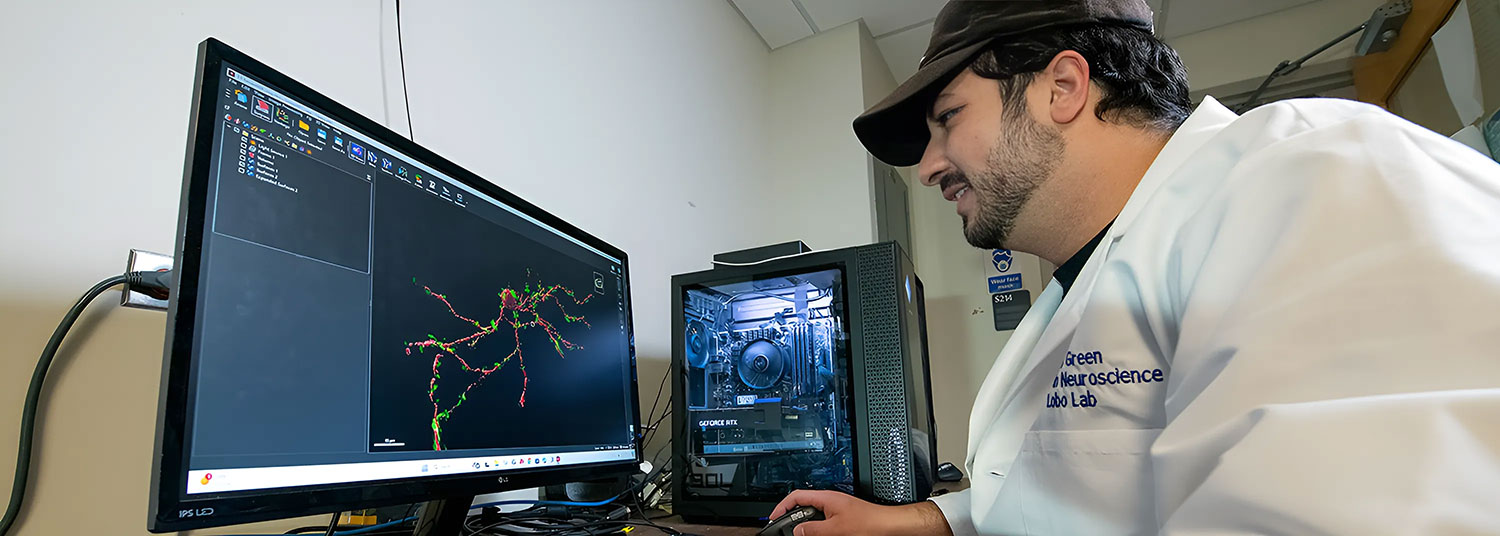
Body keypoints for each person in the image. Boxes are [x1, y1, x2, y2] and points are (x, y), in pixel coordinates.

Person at [770, 0, 1500, 534]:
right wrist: (935, 521)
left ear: (1062, 87)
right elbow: (1088, 489)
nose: (928, 168)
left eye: (949, 118)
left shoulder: (1315, 173)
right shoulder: (1086, 279)